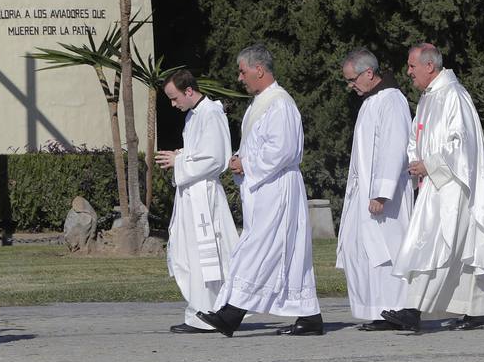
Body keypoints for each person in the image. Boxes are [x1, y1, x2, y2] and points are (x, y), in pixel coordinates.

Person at [196, 44, 323, 337]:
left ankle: (231, 313)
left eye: (243, 72)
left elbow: (283, 149)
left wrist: (247, 164)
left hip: (278, 188)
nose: (240, 78)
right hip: (265, 188)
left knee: (259, 248)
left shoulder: (280, 104)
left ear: (259, 70)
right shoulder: (262, 103)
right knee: (281, 251)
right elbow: (261, 144)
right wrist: (241, 160)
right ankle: (309, 315)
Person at [382, 43, 484, 333]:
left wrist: (431, 164)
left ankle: (413, 310)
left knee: (436, 244)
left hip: (453, 185)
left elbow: (462, 145)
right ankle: (479, 311)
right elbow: (416, 137)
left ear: (429, 66)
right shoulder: (429, 98)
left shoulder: (454, 96)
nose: (408, 72)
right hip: (434, 184)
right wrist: (416, 162)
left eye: (412, 66)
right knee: (456, 246)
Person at [154, 69, 240, 333]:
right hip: (191, 194)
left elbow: (215, 158)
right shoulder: (194, 115)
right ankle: (200, 311)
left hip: (203, 195)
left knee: (206, 255)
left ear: (189, 91)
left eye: (174, 97)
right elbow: (200, 151)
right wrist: (180, 154)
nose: (172, 103)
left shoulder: (211, 113)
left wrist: (179, 161)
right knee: (188, 254)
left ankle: (208, 313)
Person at [336, 48, 413, 330]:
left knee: (386, 251)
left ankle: (396, 309)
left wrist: (381, 192)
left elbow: (394, 146)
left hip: (384, 199)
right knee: (364, 251)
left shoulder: (392, 100)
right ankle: (379, 309)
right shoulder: (372, 101)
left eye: (352, 78)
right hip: (364, 195)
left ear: (369, 73)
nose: (350, 84)